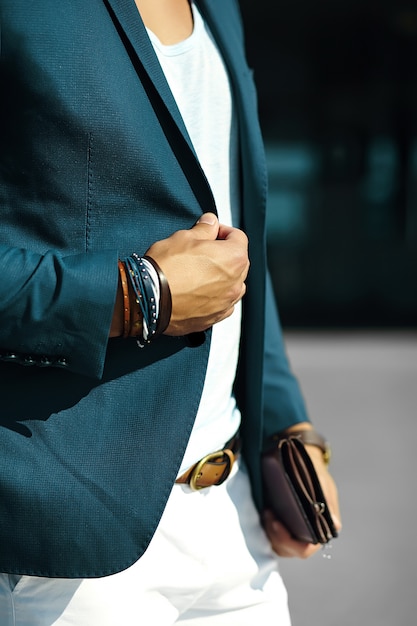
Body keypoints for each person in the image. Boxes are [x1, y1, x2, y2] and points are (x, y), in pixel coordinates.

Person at [0, 0, 341, 624]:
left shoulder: (221, 9)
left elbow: (239, 246)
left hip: (234, 523)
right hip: (77, 544)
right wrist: (137, 295)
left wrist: (285, 425)